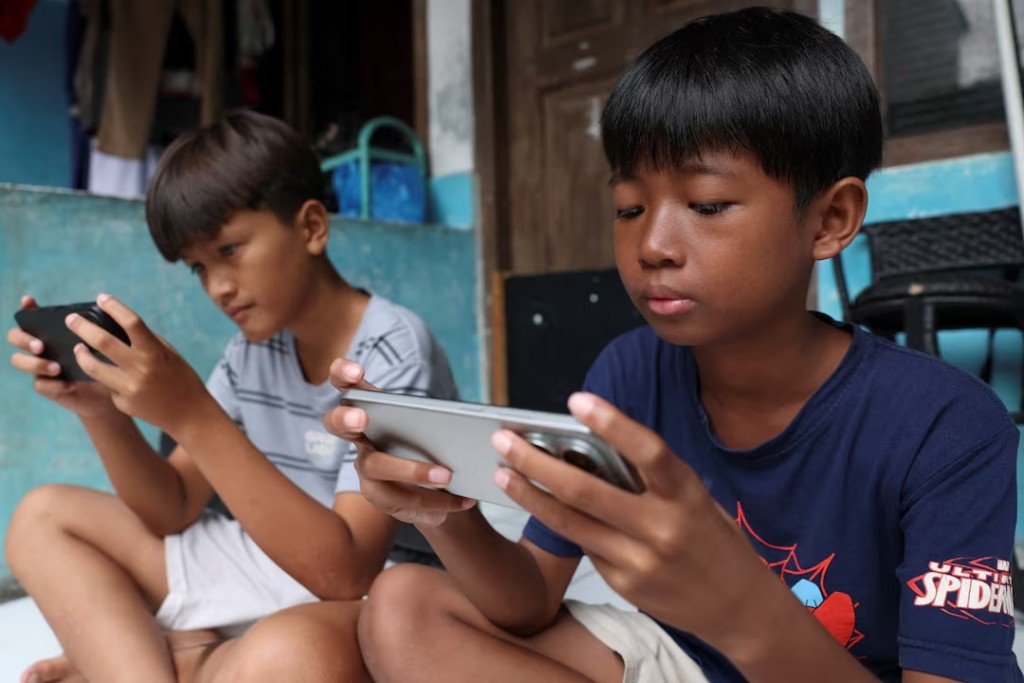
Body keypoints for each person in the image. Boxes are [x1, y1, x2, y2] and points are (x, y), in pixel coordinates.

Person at [326, 7, 1023, 682]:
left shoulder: (945, 426)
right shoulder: (630, 375)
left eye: (707, 206)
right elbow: (529, 600)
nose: (652, 245)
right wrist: (447, 513)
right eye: (629, 208)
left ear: (830, 218)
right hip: (691, 665)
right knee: (404, 604)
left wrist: (739, 608)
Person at [5, 110, 457, 683]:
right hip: (264, 564)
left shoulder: (394, 350)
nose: (217, 286)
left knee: (283, 658)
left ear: (312, 227)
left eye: (229, 250)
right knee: (41, 517)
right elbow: (170, 509)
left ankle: (165, 654)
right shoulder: (250, 355)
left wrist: (193, 413)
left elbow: (346, 573)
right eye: (198, 266)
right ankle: (174, 658)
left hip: (377, 589)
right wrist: (101, 410)